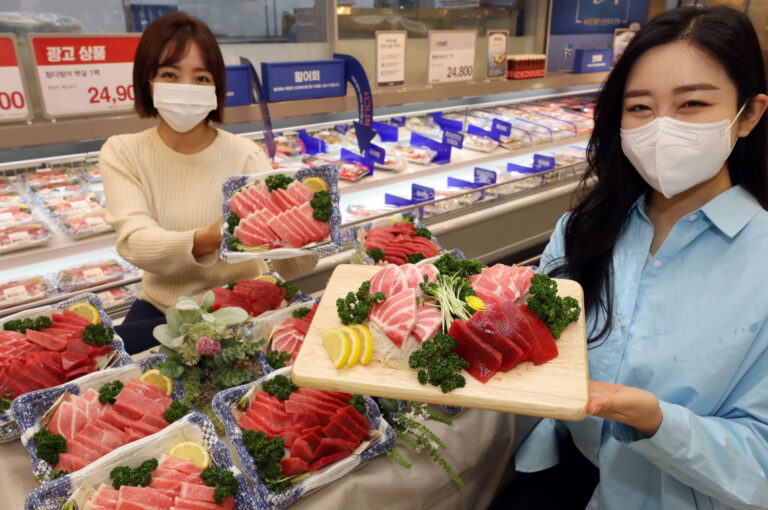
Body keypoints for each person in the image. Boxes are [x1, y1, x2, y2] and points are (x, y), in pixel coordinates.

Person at [510, 6, 768, 510]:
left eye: (692, 104)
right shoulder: (582, 230)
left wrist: (658, 422)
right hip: (563, 478)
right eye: (641, 108)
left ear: (749, 115)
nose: (661, 129)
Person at [100, 12, 317, 354]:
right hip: (163, 310)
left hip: (246, 305)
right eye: (170, 75)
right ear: (147, 81)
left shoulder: (246, 156)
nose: (186, 88)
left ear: (216, 88)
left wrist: (308, 230)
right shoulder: (123, 151)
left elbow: (290, 267)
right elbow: (135, 242)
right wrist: (208, 239)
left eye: (201, 78)